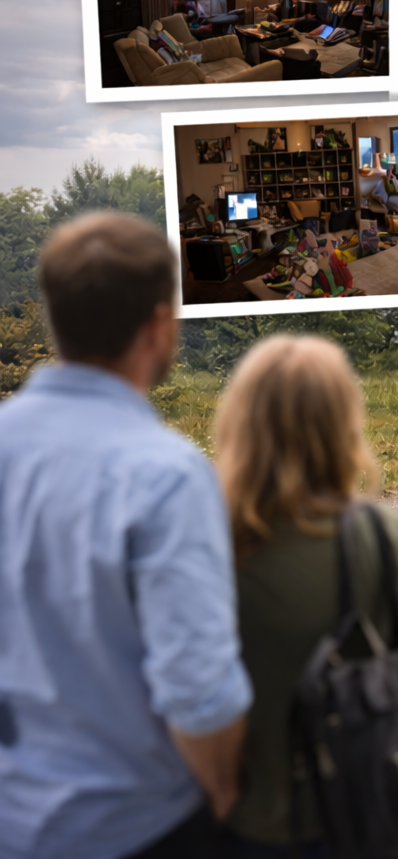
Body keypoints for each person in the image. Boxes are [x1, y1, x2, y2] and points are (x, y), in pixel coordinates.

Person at [0, 213, 251, 859]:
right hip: (134, 824)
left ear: (53, 314)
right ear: (160, 324)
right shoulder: (166, 475)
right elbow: (197, 693)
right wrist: (222, 798)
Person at [215, 335, 398, 858]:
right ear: (342, 424)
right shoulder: (373, 529)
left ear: (239, 423)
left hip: (254, 815)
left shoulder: (213, 538)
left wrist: (219, 792)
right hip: (364, 801)